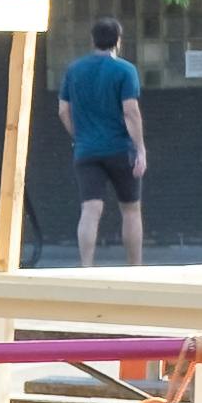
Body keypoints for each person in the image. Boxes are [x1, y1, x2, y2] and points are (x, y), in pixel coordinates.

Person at [61, 17, 149, 267]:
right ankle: (135, 268)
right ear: (118, 41)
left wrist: (78, 136)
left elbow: (62, 110)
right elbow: (130, 111)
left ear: (93, 40)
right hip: (121, 149)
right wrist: (140, 148)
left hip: (87, 151)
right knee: (131, 209)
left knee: (90, 209)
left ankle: (86, 267)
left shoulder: (74, 69)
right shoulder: (125, 70)